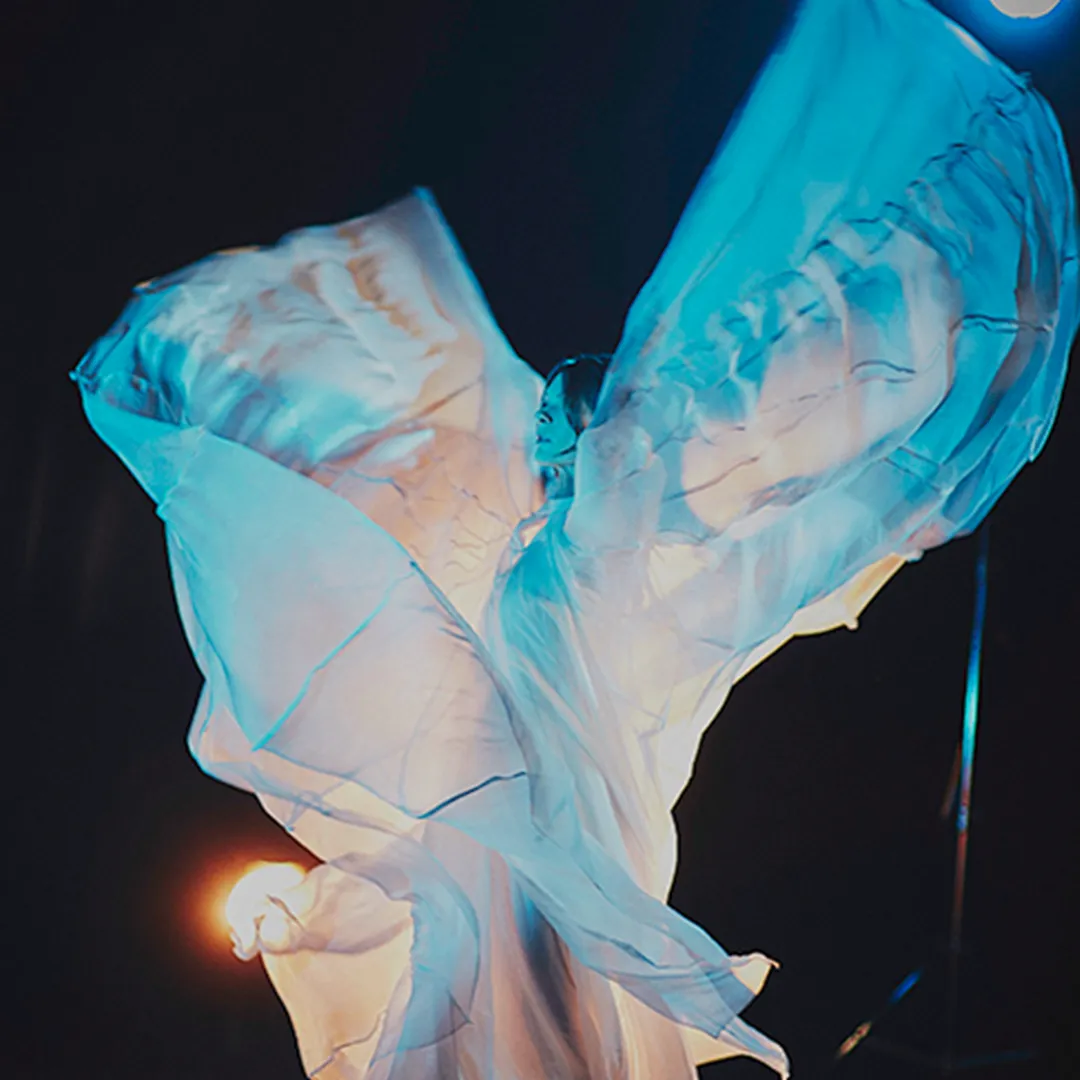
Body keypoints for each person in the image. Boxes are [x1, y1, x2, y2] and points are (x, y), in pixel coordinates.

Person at [73, 0, 1076, 1076]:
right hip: (526, 874)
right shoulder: (529, 562)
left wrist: (933, 247)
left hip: (568, 869)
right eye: (546, 416)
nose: (541, 427)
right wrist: (308, 897)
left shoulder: (614, 544)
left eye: (564, 417)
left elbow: (759, 401)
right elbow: (446, 789)